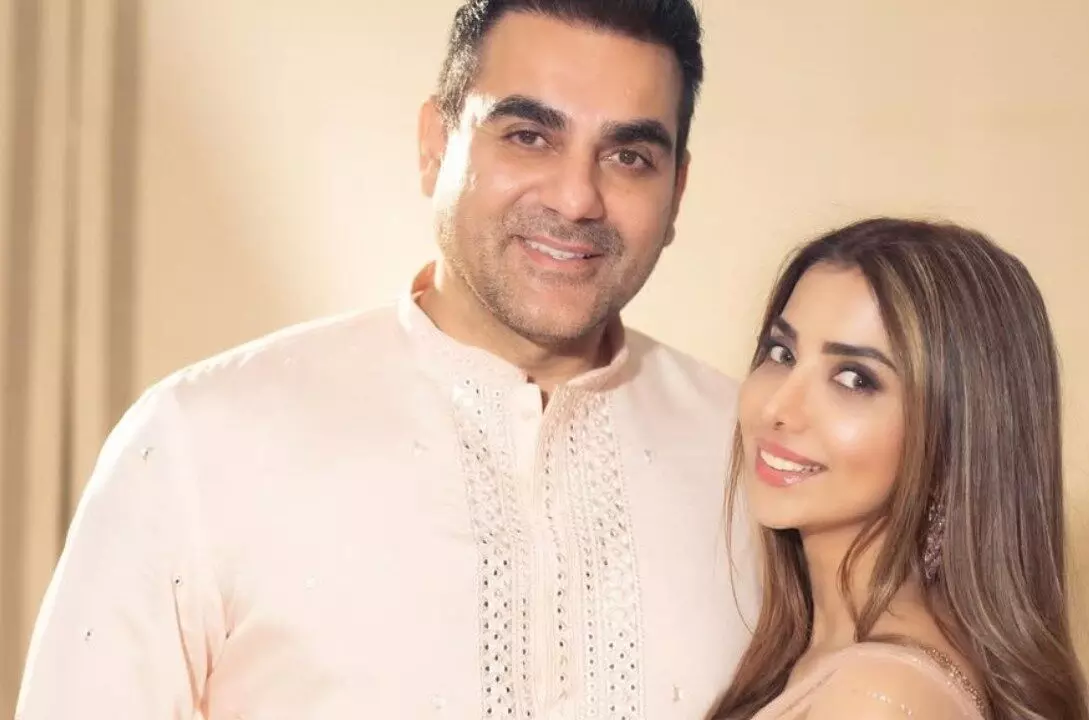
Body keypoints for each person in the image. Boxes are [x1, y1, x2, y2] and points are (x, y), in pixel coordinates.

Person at [16, 1, 754, 717]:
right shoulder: (196, 441)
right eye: (528, 135)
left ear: (676, 191)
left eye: (629, 157)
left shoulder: (751, 461)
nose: (575, 198)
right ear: (435, 145)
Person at [706, 219, 1089, 719]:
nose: (777, 406)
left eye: (853, 379)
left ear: (954, 437)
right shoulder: (825, 659)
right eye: (782, 354)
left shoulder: (880, 697)